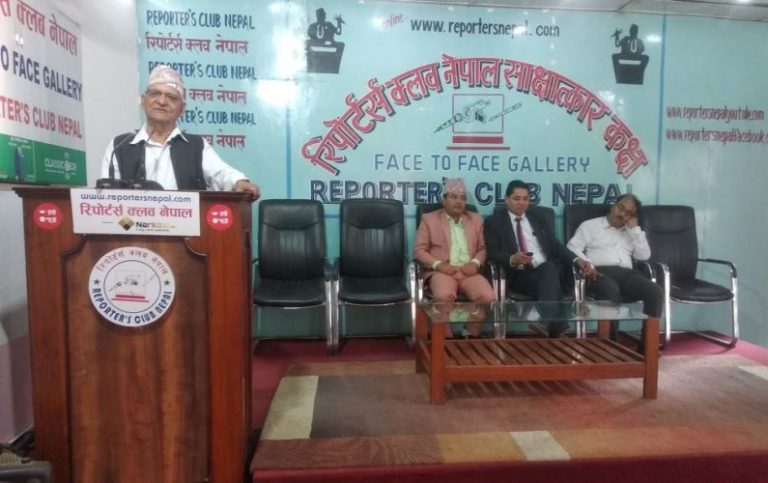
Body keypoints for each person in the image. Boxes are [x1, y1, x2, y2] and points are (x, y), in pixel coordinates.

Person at [99, 64, 261, 197]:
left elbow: (221, 173)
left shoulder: (195, 146)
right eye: (155, 94)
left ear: (182, 109)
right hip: (133, 225)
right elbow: (107, 196)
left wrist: (239, 182)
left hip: (185, 227)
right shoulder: (119, 146)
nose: (162, 101)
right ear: (143, 101)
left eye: (171, 97)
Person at [484, 180, 591, 337]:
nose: (521, 203)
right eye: (516, 198)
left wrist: (576, 259)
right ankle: (554, 326)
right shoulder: (494, 222)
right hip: (519, 275)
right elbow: (492, 251)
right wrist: (512, 258)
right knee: (551, 275)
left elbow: (555, 245)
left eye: (525, 199)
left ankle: (549, 324)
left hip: (546, 272)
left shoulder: (538, 218)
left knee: (549, 269)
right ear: (506, 199)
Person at [567, 194, 663, 344]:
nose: (622, 214)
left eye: (628, 213)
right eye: (621, 208)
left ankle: (647, 346)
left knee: (655, 291)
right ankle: (610, 345)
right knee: (610, 289)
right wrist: (587, 263)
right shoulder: (590, 226)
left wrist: (635, 231)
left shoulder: (632, 232)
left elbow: (644, 256)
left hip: (627, 275)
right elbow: (572, 248)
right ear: (614, 205)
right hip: (598, 273)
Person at [414, 178, 496, 308]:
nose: (459, 201)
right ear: (444, 200)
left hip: (468, 271)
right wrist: (438, 264)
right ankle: (445, 324)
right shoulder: (429, 219)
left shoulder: (476, 219)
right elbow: (419, 251)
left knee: (488, 297)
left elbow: (484, 248)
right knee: (443, 296)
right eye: (454, 197)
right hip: (442, 272)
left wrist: (475, 263)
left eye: (462, 198)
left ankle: (473, 323)